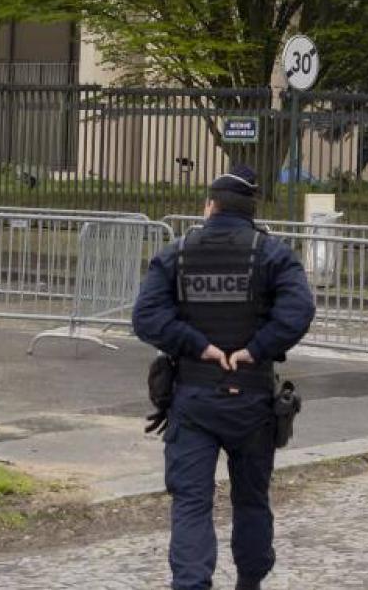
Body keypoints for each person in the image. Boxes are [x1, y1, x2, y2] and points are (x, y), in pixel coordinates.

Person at [133, 165, 316, 590]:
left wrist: (196, 345)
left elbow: (146, 317)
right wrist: (256, 348)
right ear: (251, 210)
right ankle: (249, 582)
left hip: (194, 396)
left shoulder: (177, 253)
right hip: (251, 398)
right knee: (251, 500)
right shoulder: (272, 254)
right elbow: (299, 311)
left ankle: (192, 583)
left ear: (211, 206)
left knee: (192, 503)